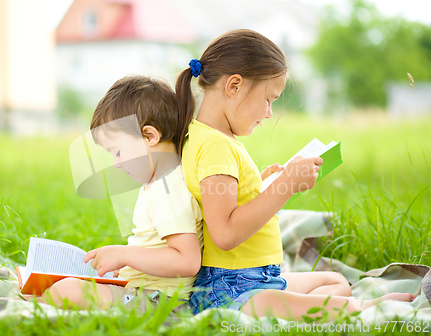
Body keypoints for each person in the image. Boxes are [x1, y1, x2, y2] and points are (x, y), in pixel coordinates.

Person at [177, 29, 415, 319]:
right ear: (234, 86)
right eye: (268, 100)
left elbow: (221, 200)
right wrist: (285, 186)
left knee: (335, 282)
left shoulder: (210, 138)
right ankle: (362, 308)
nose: (268, 113)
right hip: (232, 289)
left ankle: (307, 308)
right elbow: (225, 234)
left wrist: (262, 185)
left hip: (258, 279)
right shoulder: (216, 145)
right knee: (323, 303)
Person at [42, 75, 203, 312]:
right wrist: (125, 264)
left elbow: (187, 261)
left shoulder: (168, 190)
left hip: (160, 302)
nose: (116, 164)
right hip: (144, 291)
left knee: (65, 291)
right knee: (63, 287)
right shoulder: (158, 183)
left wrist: (125, 255)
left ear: (150, 137)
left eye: (117, 152)